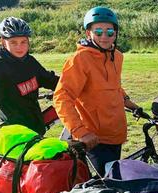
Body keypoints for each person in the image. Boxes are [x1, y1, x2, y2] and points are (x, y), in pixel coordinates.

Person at [53, 6, 143, 175]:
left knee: (115, 180)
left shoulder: (117, 56)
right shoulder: (80, 59)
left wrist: (128, 102)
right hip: (94, 139)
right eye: (98, 31)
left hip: (116, 134)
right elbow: (62, 97)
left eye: (110, 32)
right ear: (89, 34)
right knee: (104, 188)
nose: (104, 36)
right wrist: (80, 132)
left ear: (115, 34)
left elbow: (113, 85)